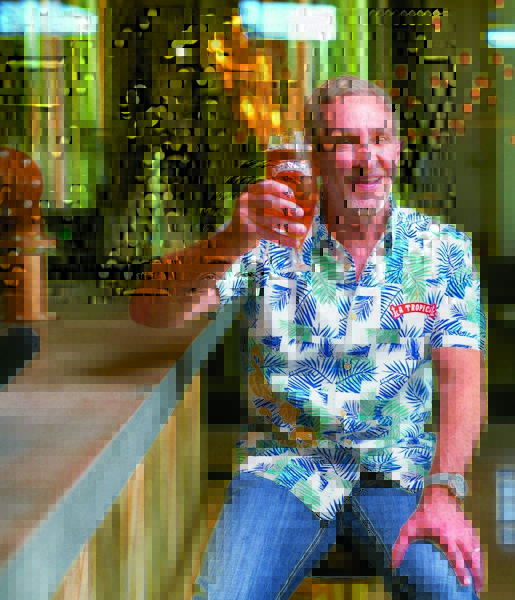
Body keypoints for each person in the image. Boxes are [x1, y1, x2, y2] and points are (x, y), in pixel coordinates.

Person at [130, 75, 487, 600]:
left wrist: (444, 491)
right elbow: (149, 309)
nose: (367, 159)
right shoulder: (266, 240)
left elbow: (462, 383)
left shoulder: (441, 251)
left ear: (397, 147)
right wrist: (231, 238)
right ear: (314, 158)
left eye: (379, 138)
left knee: (450, 591)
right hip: (284, 468)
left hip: (396, 471)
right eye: (345, 142)